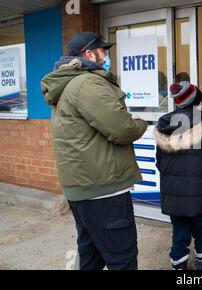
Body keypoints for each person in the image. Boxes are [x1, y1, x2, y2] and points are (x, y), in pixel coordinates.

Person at [41, 32, 148, 270]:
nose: (107, 56)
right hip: (103, 189)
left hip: (83, 188)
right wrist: (140, 123)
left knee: (91, 256)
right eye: (104, 51)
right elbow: (121, 128)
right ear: (90, 54)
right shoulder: (88, 83)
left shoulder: (69, 83)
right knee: (122, 258)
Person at [154, 81, 202, 270]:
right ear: (197, 99)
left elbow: (159, 161)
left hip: (174, 190)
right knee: (201, 227)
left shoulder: (164, 123)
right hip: (200, 190)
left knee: (179, 229)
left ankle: (178, 264)